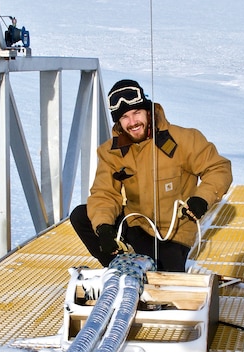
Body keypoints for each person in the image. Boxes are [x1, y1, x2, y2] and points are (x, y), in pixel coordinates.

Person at [70, 79, 232, 272]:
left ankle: (147, 267)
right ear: (119, 122)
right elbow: (104, 193)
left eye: (136, 113)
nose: (133, 122)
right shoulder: (111, 152)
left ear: (148, 111)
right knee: (81, 216)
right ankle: (121, 266)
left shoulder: (184, 139)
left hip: (173, 233)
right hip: (136, 223)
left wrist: (201, 199)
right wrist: (104, 228)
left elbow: (218, 168)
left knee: (163, 278)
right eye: (125, 117)